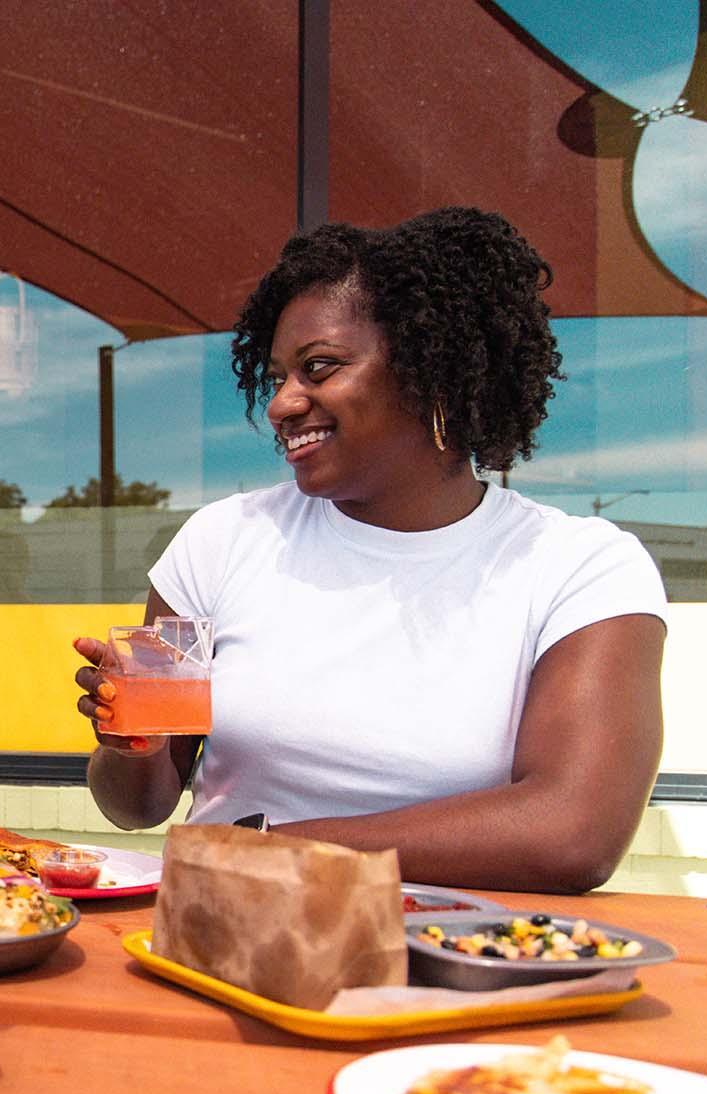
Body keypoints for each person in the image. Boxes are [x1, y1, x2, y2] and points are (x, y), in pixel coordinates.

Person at [72, 207, 667, 894]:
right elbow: (137, 807)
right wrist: (136, 749)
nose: (282, 404)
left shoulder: (579, 569)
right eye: (278, 378)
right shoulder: (221, 542)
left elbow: (573, 831)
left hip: (456, 966)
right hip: (225, 947)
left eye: (318, 368)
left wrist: (268, 846)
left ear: (430, 370)